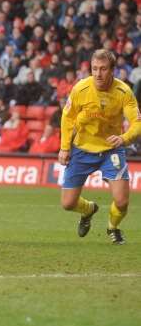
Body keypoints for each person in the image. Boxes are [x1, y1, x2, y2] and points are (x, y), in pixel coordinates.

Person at [59, 49, 141, 245]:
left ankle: (113, 227)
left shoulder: (123, 92)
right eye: (94, 68)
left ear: (112, 70)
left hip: (110, 150)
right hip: (81, 149)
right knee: (68, 204)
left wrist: (124, 138)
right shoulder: (81, 88)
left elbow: (137, 123)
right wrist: (64, 147)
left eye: (103, 69)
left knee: (121, 201)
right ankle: (88, 210)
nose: (97, 73)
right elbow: (67, 117)